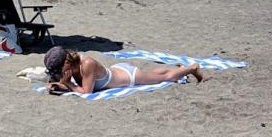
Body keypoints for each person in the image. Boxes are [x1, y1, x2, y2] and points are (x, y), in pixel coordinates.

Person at [44, 46, 203, 95]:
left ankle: (191, 68)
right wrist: (58, 85)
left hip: (128, 77)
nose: (59, 72)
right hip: (116, 72)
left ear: (66, 61)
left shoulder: (86, 64)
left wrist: (67, 84)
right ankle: (178, 68)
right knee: (154, 74)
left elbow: (86, 91)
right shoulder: (71, 66)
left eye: (59, 68)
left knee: (165, 77)